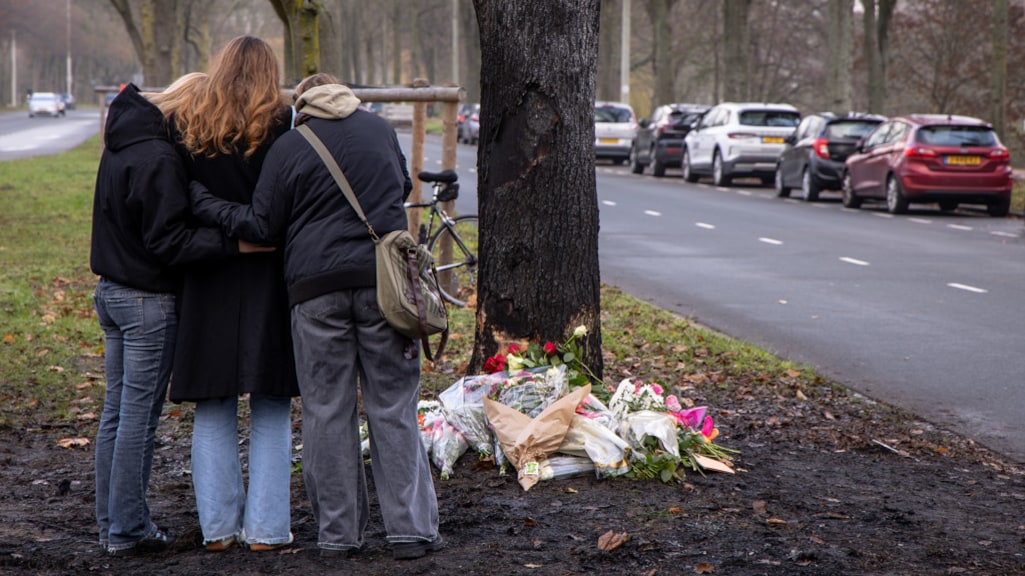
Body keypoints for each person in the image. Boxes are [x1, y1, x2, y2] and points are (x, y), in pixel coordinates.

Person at [188, 73, 443, 560]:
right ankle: (410, 532)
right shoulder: (380, 130)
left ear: (302, 106)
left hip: (314, 293)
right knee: (393, 407)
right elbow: (402, 184)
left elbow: (262, 224)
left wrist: (206, 204)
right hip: (384, 289)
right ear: (348, 96)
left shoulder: (290, 145)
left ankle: (338, 536)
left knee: (328, 412)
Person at [90, 74, 265, 557]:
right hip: (148, 301)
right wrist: (236, 243)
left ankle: (111, 521)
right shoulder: (161, 158)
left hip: (111, 292)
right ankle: (128, 528)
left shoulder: (122, 143)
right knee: (138, 420)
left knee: (115, 413)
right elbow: (169, 241)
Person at [165, 35, 299, 553]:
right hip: (270, 278)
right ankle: (266, 529)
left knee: (213, 405)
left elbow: (182, 202)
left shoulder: (190, 125)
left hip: (209, 275)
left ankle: (218, 529)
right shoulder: (285, 125)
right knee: (270, 405)